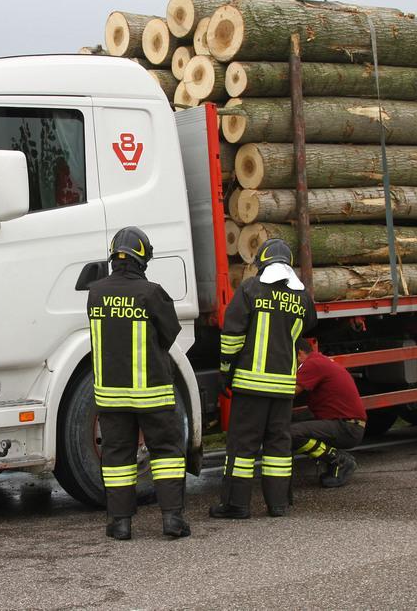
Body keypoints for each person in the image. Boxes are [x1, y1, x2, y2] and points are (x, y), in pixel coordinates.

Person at [87, 226, 190, 540]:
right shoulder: (151, 292)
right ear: (143, 257)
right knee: (167, 453)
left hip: (111, 396)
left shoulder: (96, 292)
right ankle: (172, 520)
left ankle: (120, 524)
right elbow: (170, 333)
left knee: (118, 457)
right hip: (152, 393)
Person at [211, 239, 317, 519]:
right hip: (283, 387)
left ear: (262, 264)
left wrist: (225, 370)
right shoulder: (302, 296)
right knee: (278, 445)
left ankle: (237, 505)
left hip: (251, 384)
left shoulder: (250, 289)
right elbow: (309, 324)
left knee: (242, 445)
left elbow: (232, 335)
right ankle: (278, 504)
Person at [293, 339, 366, 487]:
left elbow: (290, 392)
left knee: (288, 433)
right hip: (347, 423)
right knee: (288, 422)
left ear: (299, 353)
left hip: (347, 427)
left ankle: (338, 460)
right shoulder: (319, 360)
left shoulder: (311, 364)